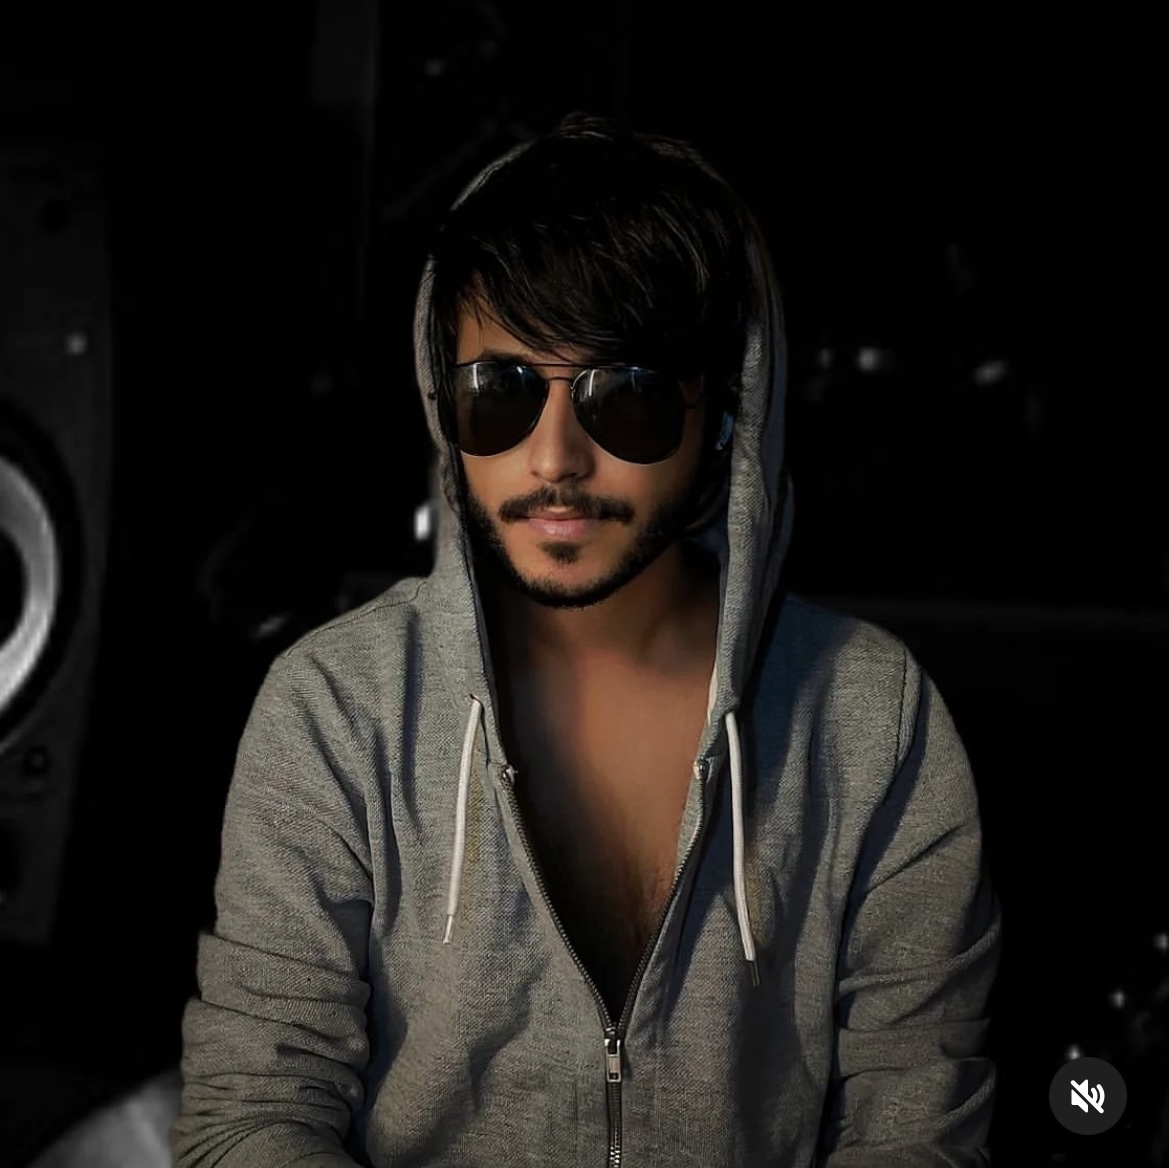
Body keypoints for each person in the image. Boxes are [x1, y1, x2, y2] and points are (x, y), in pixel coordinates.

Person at [171, 113, 1003, 1167]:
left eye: (628, 397)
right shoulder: (337, 707)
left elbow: (916, 1123)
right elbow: (252, 1111)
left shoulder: (873, 717)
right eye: (500, 393)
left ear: (723, 415)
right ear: (442, 404)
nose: (554, 456)